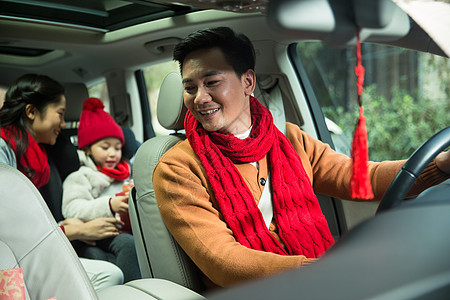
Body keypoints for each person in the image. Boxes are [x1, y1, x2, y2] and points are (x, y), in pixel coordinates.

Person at [152, 27, 450, 289]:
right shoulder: (177, 167)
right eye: (190, 88)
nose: (199, 97)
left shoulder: (288, 137)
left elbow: (361, 178)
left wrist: (439, 166)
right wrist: (318, 271)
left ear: (248, 82)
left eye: (212, 82)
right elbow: (221, 259)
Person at [0, 73, 124, 291]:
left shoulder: (39, 154)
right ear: (31, 111)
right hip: (12, 258)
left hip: (36, 246)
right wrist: (71, 231)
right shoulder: (4, 148)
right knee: (110, 275)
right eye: (60, 114)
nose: (64, 123)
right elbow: (10, 226)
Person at [62, 97, 141, 283]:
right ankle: (132, 289)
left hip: (129, 227)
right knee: (126, 245)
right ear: (88, 149)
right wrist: (109, 205)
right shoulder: (81, 176)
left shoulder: (127, 172)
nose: (113, 153)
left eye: (118, 147)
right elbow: (72, 208)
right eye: (105, 148)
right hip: (97, 231)